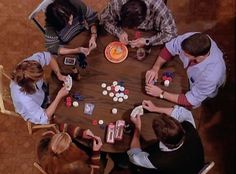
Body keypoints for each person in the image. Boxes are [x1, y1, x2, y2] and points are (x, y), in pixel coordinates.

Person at [145, 32, 226, 108]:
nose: (181, 53)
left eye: (186, 54)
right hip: (192, 75)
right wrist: (155, 68)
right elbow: (170, 48)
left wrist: (161, 93)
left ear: (200, 57)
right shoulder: (191, 40)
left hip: (206, 88)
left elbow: (191, 100)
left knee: (201, 100)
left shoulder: (210, 76)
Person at [127, 100, 205, 174]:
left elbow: (134, 156)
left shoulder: (158, 160)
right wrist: (155, 108)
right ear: (178, 124)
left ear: (159, 139)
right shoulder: (189, 126)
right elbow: (181, 113)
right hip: (197, 165)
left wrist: (137, 128)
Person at [10, 51, 68, 124]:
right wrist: (59, 96)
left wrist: (59, 74)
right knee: (61, 113)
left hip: (40, 92)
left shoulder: (29, 65)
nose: (43, 77)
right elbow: (44, 117)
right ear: (31, 84)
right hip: (36, 106)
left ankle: (47, 98)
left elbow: (48, 57)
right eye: (39, 78)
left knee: (49, 90)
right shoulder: (24, 99)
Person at [100, 0, 177, 48]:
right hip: (123, 29)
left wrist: (147, 41)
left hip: (154, 33)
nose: (135, 29)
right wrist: (119, 32)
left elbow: (172, 33)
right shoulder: (116, 2)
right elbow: (104, 19)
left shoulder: (158, 6)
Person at [37, 123, 103, 174]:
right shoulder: (75, 168)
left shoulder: (43, 142)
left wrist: (80, 132)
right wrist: (96, 153)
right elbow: (94, 172)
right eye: (71, 143)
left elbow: (55, 127)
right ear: (71, 152)